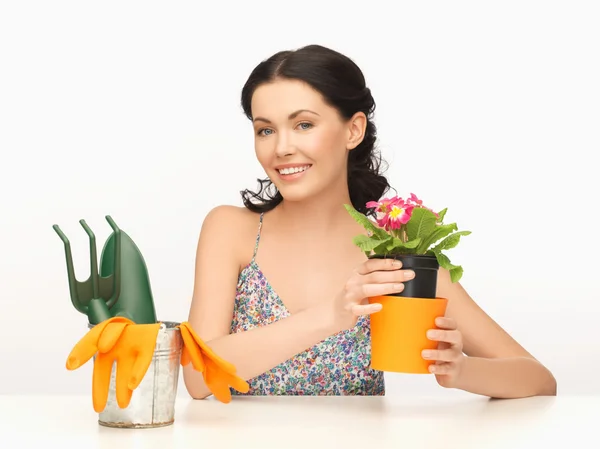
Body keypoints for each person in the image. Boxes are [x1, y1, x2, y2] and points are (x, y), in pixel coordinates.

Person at [182, 44, 557, 399]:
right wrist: (329, 316)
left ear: (353, 130)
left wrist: (460, 371)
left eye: (303, 125)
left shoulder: (394, 252)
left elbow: (539, 380)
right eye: (266, 130)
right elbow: (199, 377)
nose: (281, 148)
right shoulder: (231, 230)